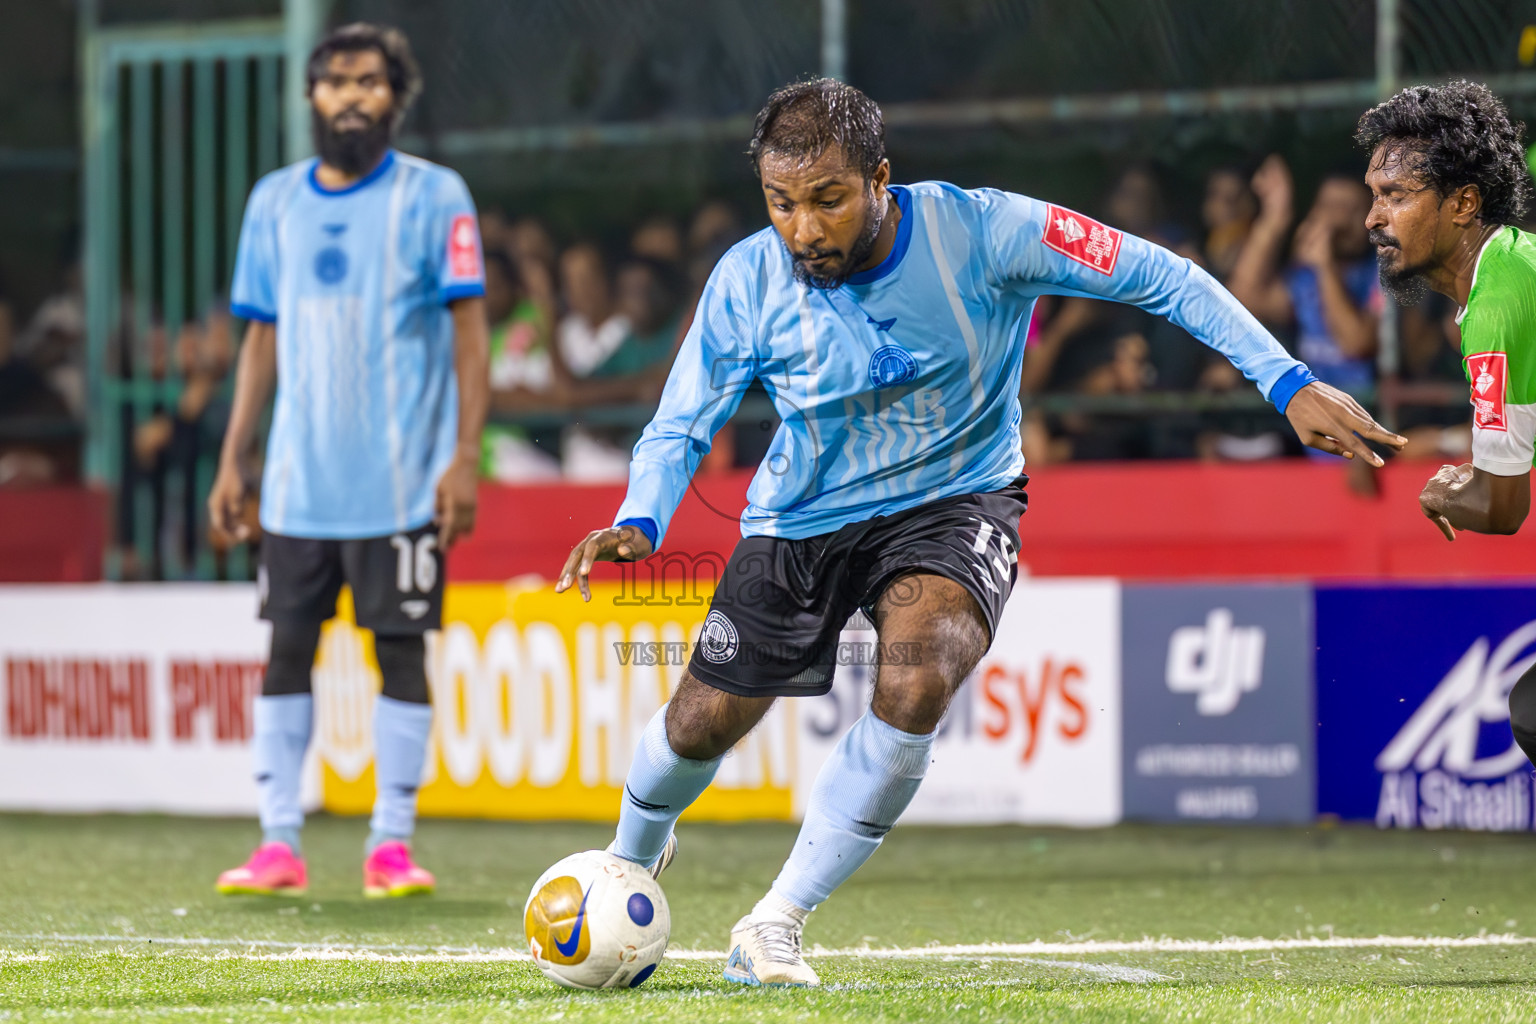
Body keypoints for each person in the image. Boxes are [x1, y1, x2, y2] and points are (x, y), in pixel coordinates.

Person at [555, 79, 1403, 987]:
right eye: (782, 203)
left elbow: (1160, 274)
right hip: (799, 518)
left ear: (882, 179)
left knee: (918, 680)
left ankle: (776, 921)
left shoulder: (988, 230)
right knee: (701, 721)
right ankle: (630, 859)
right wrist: (640, 518)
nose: (803, 228)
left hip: (954, 502)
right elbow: (683, 421)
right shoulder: (746, 277)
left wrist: (1284, 383)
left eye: (828, 199)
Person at [206, 23, 489, 898]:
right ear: (312, 97)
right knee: (285, 653)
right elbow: (262, 339)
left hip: (402, 487)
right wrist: (233, 458)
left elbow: (470, 336)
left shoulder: (436, 197)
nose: (351, 96)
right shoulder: (274, 203)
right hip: (297, 488)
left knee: (399, 656)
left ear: (395, 96)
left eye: (369, 81)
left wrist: (465, 455)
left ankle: (390, 846)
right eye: (334, 82)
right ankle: (277, 843)